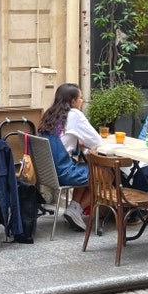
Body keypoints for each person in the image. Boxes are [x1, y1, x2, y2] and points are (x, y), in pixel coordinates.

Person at [38, 83, 97, 231]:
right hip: (64, 173)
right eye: (81, 98)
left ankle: (74, 209)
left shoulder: (50, 115)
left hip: (50, 174)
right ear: (72, 101)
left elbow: (63, 138)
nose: (82, 101)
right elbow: (96, 141)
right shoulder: (75, 114)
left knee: (86, 168)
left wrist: (76, 141)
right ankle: (76, 209)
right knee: (106, 174)